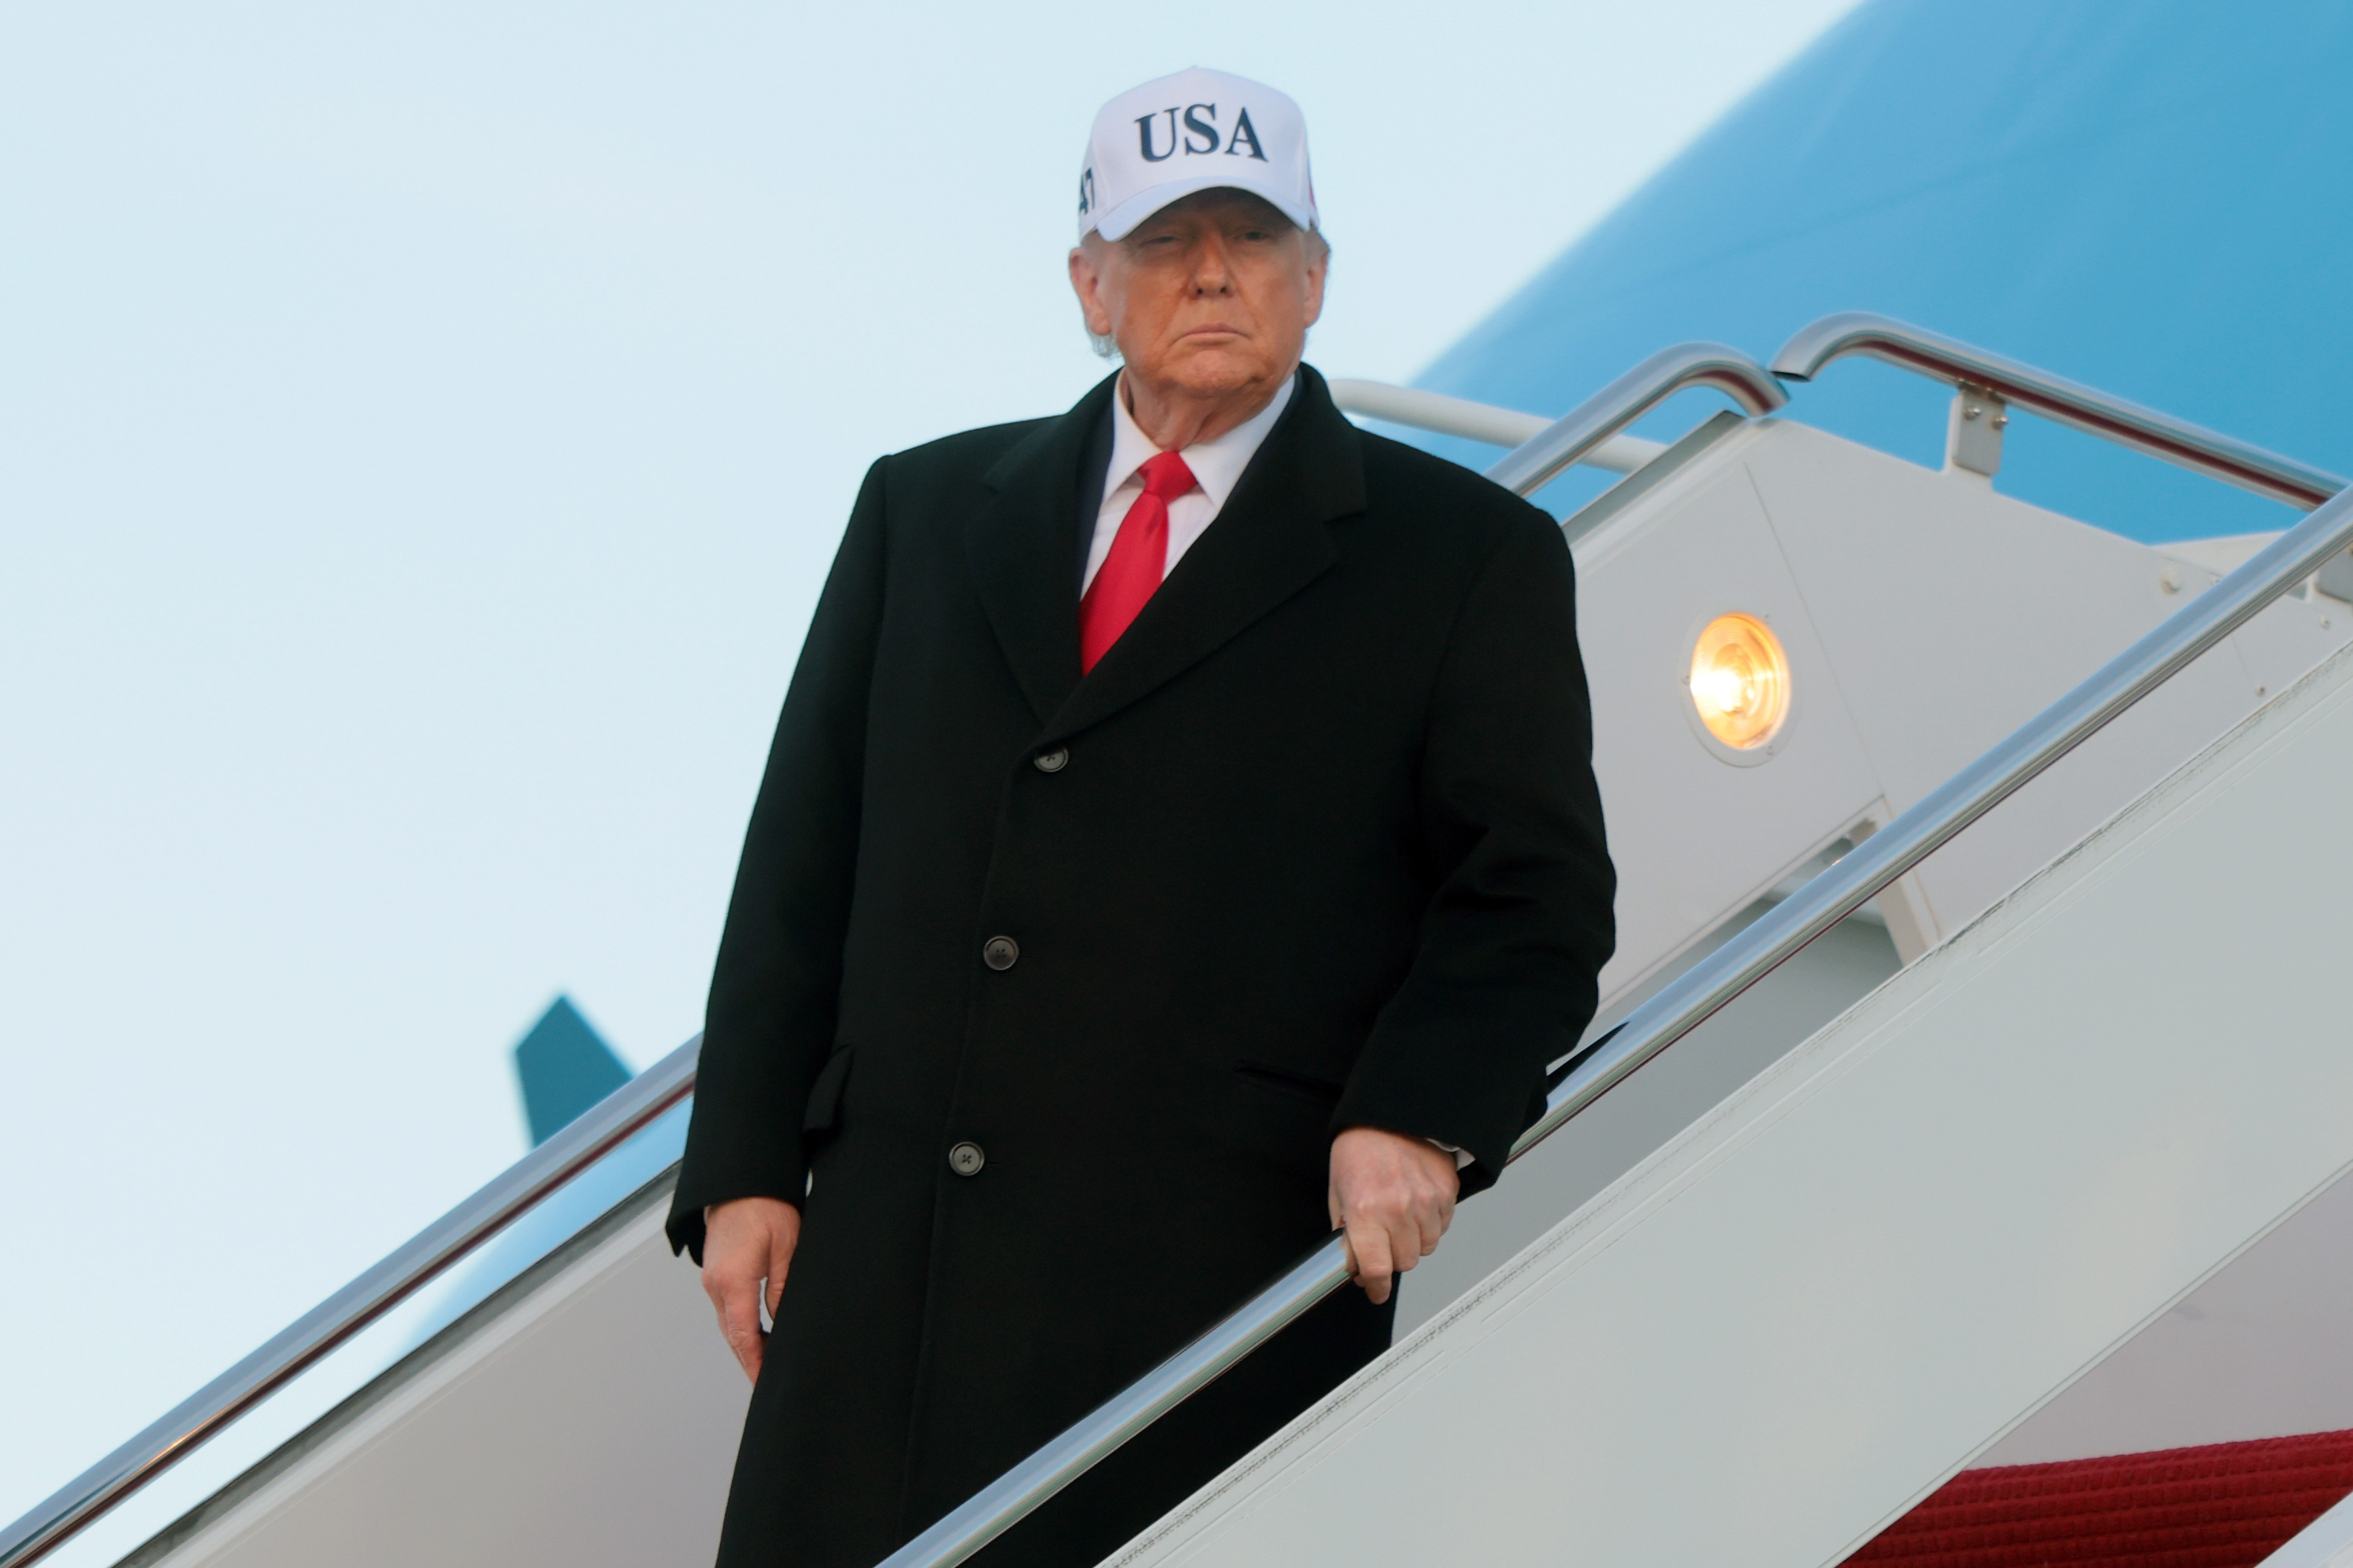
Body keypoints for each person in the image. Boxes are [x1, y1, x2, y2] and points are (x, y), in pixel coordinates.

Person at [668, 66, 1615, 1568]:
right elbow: (803, 858)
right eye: (1170, 242)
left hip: (1205, 1292)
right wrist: (740, 1164)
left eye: (1253, 237)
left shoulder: (1464, 558)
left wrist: (1419, 1110)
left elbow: (1534, 897)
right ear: (1089, 284)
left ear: (1317, 277)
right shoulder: (921, 512)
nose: (1215, 274)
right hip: (887, 1284)